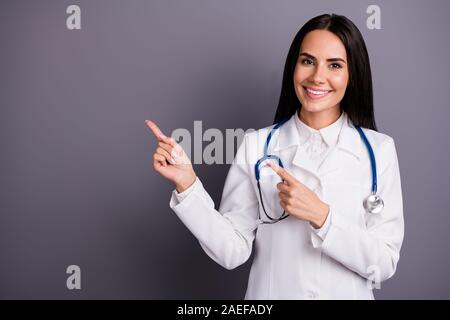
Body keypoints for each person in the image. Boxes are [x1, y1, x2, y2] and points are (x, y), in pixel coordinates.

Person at [145, 13, 404, 300]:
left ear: (352, 74)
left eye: (334, 65)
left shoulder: (379, 150)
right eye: (307, 61)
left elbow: (382, 264)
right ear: (293, 67)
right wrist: (188, 184)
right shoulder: (257, 145)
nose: (317, 77)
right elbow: (232, 251)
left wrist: (322, 215)